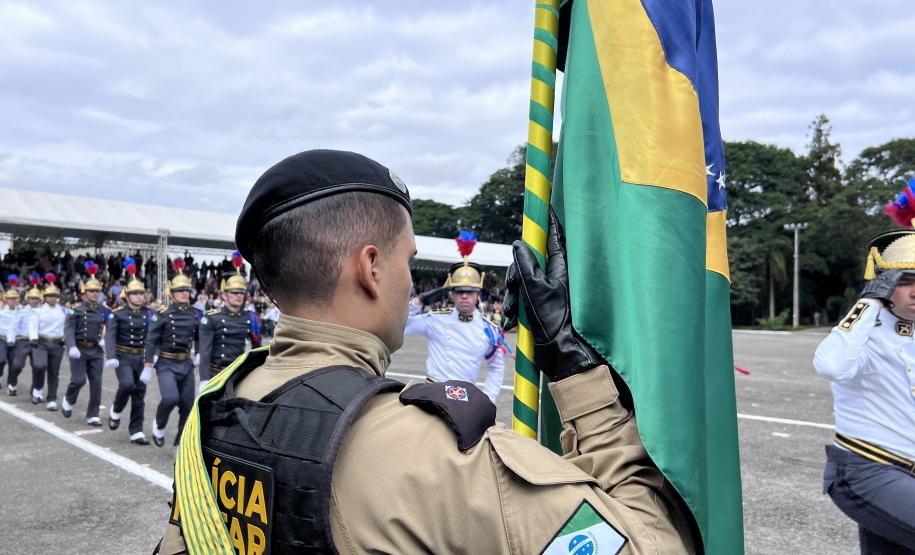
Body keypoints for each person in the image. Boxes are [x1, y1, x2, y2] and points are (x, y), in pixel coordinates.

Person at [155, 149, 693, 554]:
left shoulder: (216, 407)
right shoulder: (437, 457)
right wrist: (582, 382)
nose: (411, 282)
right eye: (406, 260)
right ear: (370, 268)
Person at [814, 230, 915, 553]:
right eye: (903, 280)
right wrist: (869, 301)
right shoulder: (862, 335)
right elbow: (830, 365)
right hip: (866, 470)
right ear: (883, 285)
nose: (914, 291)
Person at [404, 237, 506, 403]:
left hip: (465, 400)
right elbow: (402, 326)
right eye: (459, 291)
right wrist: (420, 301)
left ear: (478, 294)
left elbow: (496, 367)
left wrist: (488, 399)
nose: (464, 295)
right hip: (432, 395)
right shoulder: (435, 319)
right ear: (452, 294)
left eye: (470, 291)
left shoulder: (490, 330)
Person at [144, 261, 201, 447]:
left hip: (186, 363)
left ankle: (180, 444)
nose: (185, 293)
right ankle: (159, 425)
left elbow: (201, 336)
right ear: (172, 293)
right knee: (170, 398)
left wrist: (199, 353)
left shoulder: (196, 314)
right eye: (180, 290)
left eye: (187, 290)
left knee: (187, 406)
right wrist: (147, 364)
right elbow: (151, 339)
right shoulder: (163, 313)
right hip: (166, 363)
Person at [105, 259, 154, 445]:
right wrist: (111, 356)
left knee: (139, 393)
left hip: (141, 358)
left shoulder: (149, 314)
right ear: (127, 295)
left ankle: (136, 431)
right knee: (126, 385)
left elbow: (153, 336)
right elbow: (110, 336)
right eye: (135, 294)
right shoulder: (117, 314)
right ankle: (116, 410)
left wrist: (153, 355)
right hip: (123, 356)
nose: (139, 297)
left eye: (141, 293)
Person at [197, 257, 260, 392]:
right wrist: (204, 379)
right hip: (216, 374)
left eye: (242, 293)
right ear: (224, 295)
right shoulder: (212, 318)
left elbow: (257, 350)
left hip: (237, 375)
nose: (239, 296)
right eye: (234, 292)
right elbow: (205, 352)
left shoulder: (251, 318)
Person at [62, 261, 108, 424]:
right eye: (91, 291)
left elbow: (112, 328)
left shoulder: (105, 311)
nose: (94, 294)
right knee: (78, 380)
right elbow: (68, 330)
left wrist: (105, 340)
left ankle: (93, 414)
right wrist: (71, 346)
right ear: (84, 292)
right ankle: (69, 399)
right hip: (79, 350)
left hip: (96, 351)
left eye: (97, 291)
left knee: (96, 382)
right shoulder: (76, 310)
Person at [33, 273, 68, 409]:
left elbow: (68, 326)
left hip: (57, 344)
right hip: (41, 342)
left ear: (58, 297)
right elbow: (33, 325)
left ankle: (51, 398)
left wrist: (66, 339)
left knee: (54, 372)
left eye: (54, 296)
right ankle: (37, 389)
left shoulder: (64, 311)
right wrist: (33, 338)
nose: (52, 298)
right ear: (45, 297)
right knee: (40, 366)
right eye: (49, 296)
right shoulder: (39, 311)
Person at [7, 277, 40, 396]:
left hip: (38, 342)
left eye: (36, 298)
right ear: (27, 299)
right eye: (31, 298)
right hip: (23, 341)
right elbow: (12, 326)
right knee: (17, 365)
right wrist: (10, 340)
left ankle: (35, 390)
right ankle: (12, 382)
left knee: (38, 367)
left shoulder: (43, 311)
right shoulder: (21, 311)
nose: (34, 300)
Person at [0, 281, 22, 388]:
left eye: (15, 298)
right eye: (10, 298)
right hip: (2, 339)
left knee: (15, 364)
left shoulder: (22, 311)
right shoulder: (1, 312)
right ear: (6, 299)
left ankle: (12, 384)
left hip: (16, 340)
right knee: (1, 360)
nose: (13, 301)